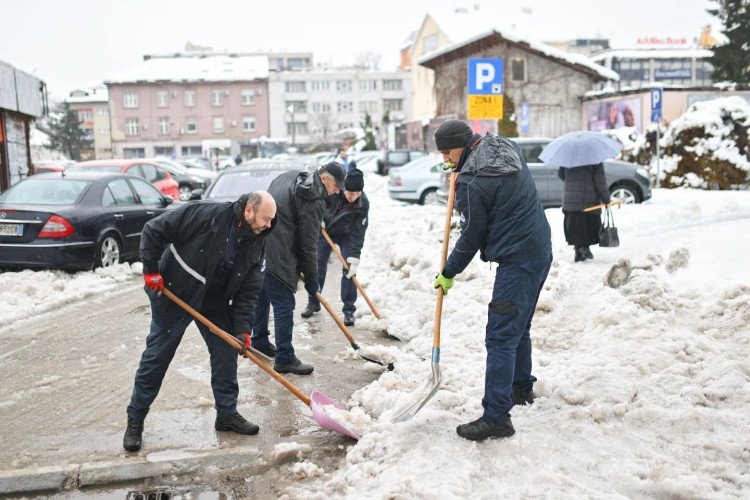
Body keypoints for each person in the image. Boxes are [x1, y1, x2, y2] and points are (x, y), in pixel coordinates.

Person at [123, 191, 277, 452]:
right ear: (249, 211)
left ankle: (227, 414)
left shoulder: (257, 242)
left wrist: (242, 329)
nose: (269, 225)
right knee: (157, 356)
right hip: (175, 290)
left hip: (213, 299)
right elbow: (153, 229)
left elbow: (248, 292)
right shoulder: (206, 214)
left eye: (272, 220)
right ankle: (135, 419)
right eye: (266, 218)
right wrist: (151, 270)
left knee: (225, 350)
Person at [432, 119, 552, 441]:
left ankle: (497, 416)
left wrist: (448, 272)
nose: (445, 159)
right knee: (519, 326)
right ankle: (521, 387)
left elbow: (471, 236)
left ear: (460, 145)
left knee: (500, 337)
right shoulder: (504, 147)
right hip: (540, 250)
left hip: (517, 261)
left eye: (446, 152)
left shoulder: (473, 181)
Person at [250, 162, 346, 375]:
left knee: (263, 294)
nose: (336, 191)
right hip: (280, 252)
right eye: (336, 186)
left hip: (260, 245)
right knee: (284, 303)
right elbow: (308, 247)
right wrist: (312, 282)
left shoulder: (291, 176)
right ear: (324, 178)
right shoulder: (314, 200)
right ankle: (284, 358)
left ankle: (259, 340)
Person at [301, 168, 369, 326]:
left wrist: (355, 256)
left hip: (347, 234)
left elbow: (360, 232)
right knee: (317, 264)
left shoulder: (363, 204)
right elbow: (317, 204)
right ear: (344, 188)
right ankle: (314, 300)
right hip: (326, 231)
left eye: (357, 194)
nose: (353, 197)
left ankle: (349, 310)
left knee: (349, 268)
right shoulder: (334, 191)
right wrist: (319, 219)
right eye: (350, 193)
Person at [558, 164, 611, 262]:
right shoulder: (594, 159)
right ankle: (583, 248)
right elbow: (600, 181)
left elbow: (561, 175)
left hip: (571, 201)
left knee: (575, 225)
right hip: (589, 201)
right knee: (587, 225)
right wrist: (606, 199)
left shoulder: (568, 158)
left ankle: (579, 248)